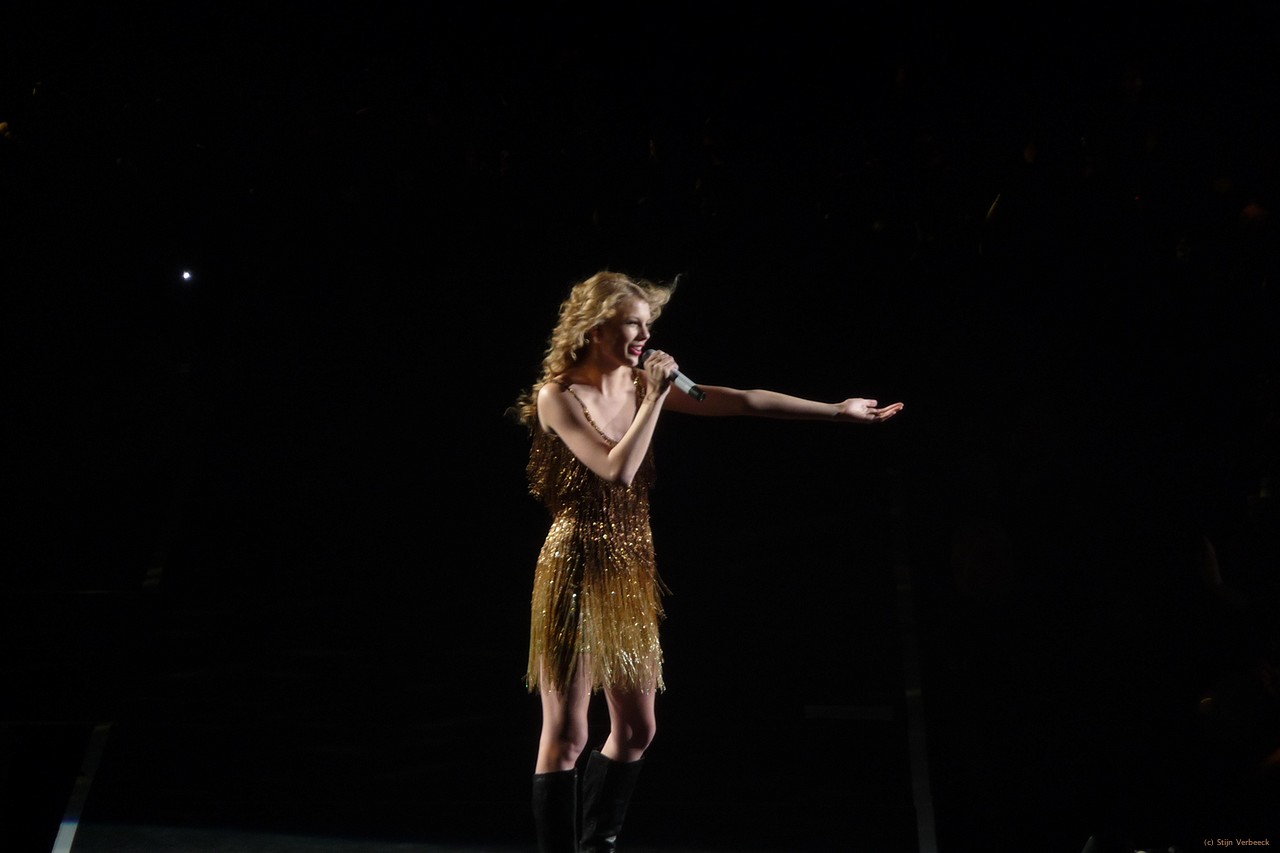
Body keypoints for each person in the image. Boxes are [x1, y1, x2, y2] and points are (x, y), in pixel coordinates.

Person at [510, 270, 903, 852]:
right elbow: (617, 471)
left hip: (630, 564)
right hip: (576, 563)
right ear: (595, 330)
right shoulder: (559, 395)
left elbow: (742, 399)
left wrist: (836, 411)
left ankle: (596, 846)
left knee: (638, 729)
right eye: (633, 324)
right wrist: (653, 398)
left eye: (649, 324)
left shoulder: (642, 385)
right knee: (567, 733)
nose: (646, 336)